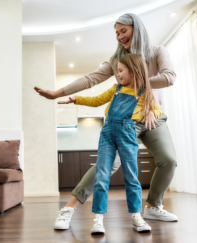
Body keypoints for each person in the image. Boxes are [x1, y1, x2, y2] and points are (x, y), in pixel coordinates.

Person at [35, 13, 178, 230]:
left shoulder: (157, 51)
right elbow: (91, 79)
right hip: (122, 123)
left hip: (151, 116)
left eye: (124, 31)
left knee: (168, 159)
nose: (120, 36)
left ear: (136, 29)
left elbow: (169, 77)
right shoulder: (116, 60)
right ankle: (69, 208)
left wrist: (138, 84)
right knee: (107, 167)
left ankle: (153, 206)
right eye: (117, 33)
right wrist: (58, 93)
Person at [60, 53, 161, 233]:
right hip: (107, 133)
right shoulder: (115, 89)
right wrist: (77, 99)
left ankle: (136, 217)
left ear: (135, 71)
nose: (118, 74)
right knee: (102, 176)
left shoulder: (145, 93)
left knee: (131, 176)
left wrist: (152, 113)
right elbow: (96, 100)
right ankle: (98, 219)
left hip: (127, 134)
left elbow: (158, 111)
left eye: (121, 71)